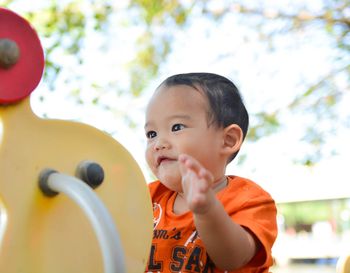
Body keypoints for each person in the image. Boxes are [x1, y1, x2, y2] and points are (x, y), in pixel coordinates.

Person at [144, 72, 277, 273]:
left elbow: (233, 257)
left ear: (228, 140)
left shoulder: (249, 199)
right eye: (151, 134)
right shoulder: (146, 198)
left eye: (176, 127)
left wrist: (207, 210)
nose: (158, 144)